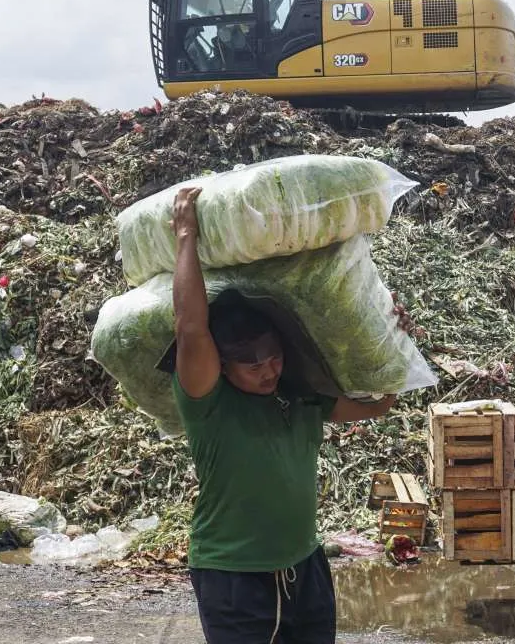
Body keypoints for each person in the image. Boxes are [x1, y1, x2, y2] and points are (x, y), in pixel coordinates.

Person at [170, 186, 397, 643]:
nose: (267, 371)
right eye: (251, 365)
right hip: (233, 576)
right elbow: (191, 328)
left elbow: (380, 403)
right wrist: (186, 234)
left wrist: (393, 335)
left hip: (305, 568)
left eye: (273, 358)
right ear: (223, 366)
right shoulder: (209, 403)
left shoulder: (302, 400)